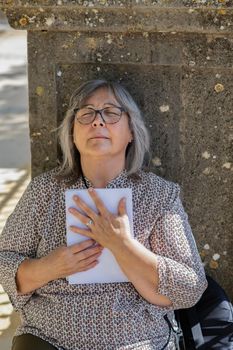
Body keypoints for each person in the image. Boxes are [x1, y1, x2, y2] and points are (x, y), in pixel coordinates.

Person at [0, 79, 207, 350]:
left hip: (137, 342)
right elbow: (4, 263)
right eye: (86, 114)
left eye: (111, 112)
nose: (98, 122)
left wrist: (124, 247)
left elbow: (190, 288)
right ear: (73, 132)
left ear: (131, 131)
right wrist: (52, 266)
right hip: (48, 339)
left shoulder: (159, 195)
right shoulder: (45, 191)